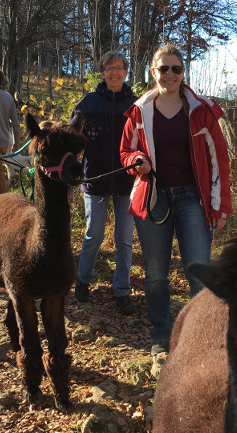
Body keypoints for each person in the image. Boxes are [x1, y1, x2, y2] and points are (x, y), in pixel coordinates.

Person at [120, 44, 232, 355]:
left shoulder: (201, 110)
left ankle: (201, 337)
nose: (169, 74)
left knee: (199, 271)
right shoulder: (139, 111)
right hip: (153, 198)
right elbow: (125, 152)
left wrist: (221, 205)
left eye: (176, 69)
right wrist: (137, 159)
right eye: (163, 69)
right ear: (152, 72)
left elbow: (219, 159)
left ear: (183, 73)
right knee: (156, 274)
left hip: (192, 200)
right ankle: (161, 335)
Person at [71, 50, 138, 315]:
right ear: (102, 72)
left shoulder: (135, 104)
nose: (114, 73)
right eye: (109, 68)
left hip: (127, 182)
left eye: (119, 68)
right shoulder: (88, 103)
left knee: (124, 239)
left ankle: (122, 290)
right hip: (95, 179)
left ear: (125, 72)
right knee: (93, 235)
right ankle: (83, 279)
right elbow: (72, 137)